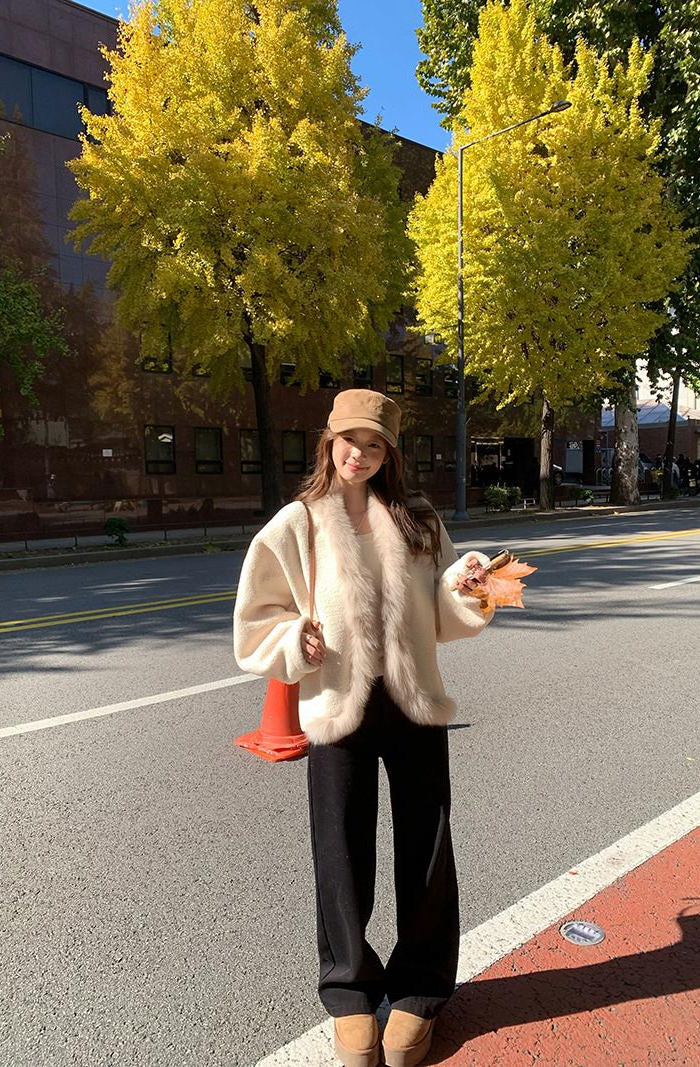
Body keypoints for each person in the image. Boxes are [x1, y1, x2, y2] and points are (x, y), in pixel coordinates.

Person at [234, 390, 495, 1067]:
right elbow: (258, 616)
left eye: (375, 444)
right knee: (340, 850)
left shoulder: (419, 518)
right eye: (350, 439)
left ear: (390, 454)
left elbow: (441, 612)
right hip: (335, 704)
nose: (360, 453)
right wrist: (294, 640)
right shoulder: (299, 524)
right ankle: (350, 991)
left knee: (427, 847)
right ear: (330, 442)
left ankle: (421, 989)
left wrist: (468, 587)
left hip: (413, 701)